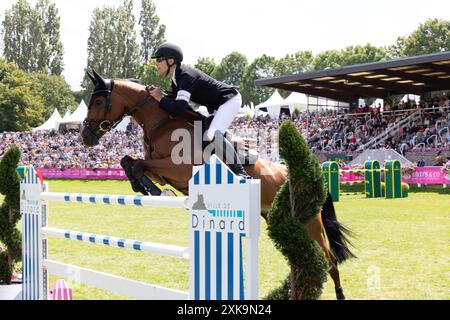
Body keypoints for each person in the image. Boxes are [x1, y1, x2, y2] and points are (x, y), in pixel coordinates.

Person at [147, 43, 251, 178]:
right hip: (215, 106)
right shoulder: (176, 79)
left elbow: (178, 108)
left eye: (159, 60)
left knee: (212, 134)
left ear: (171, 61)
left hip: (228, 100)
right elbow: (174, 101)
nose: (157, 64)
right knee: (202, 139)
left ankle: (241, 172)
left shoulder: (185, 76)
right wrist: (158, 95)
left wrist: (160, 97)